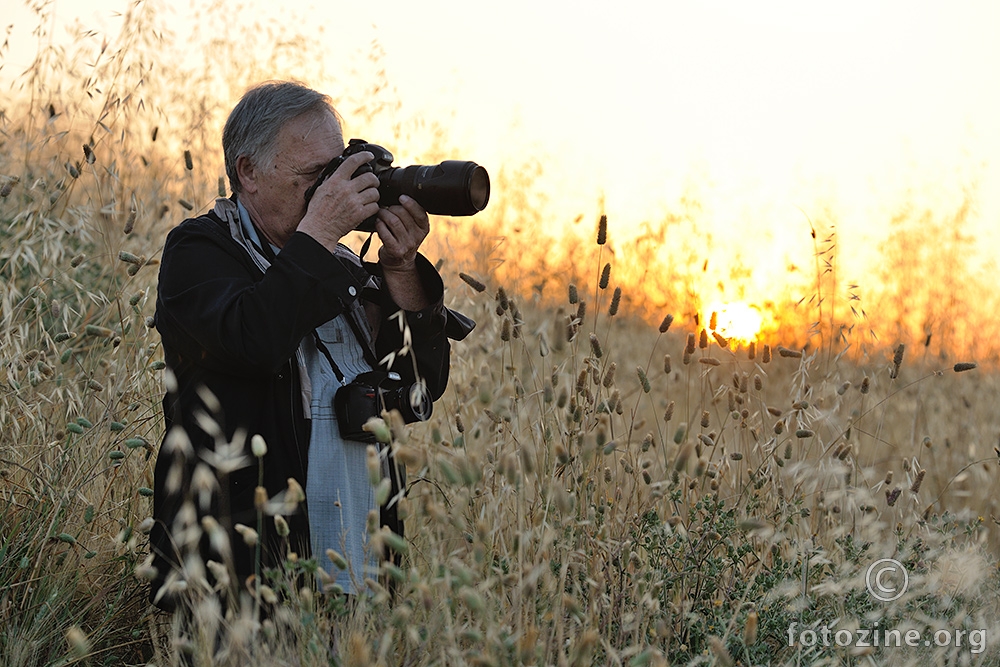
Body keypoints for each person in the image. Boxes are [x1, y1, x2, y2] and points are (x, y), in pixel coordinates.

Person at [148, 80, 473, 611]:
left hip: (358, 571)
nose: (331, 192)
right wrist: (320, 231)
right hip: (237, 576)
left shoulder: (342, 269)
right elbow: (252, 340)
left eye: (334, 173)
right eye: (312, 178)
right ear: (247, 172)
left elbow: (417, 385)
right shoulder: (200, 250)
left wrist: (400, 268)